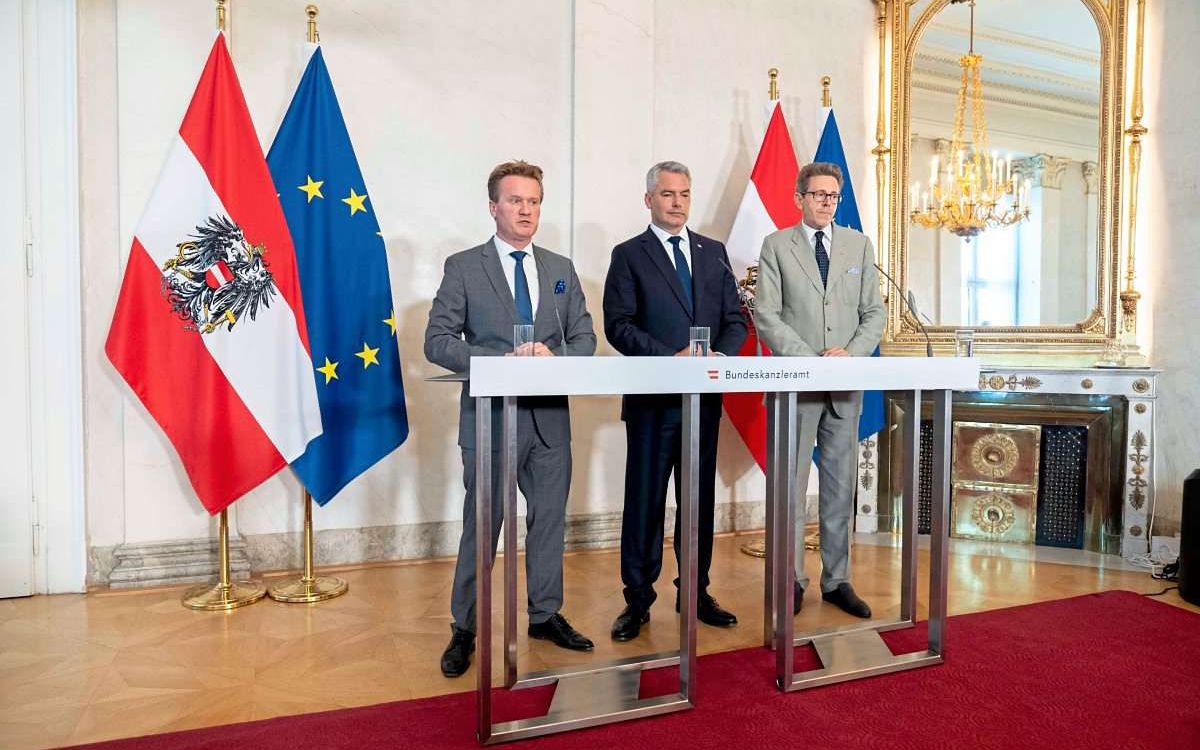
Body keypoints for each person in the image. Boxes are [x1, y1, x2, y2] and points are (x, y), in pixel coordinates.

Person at [424, 160, 597, 677]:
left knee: (549, 522)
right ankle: (465, 628)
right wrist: (498, 361)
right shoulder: (464, 267)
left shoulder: (560, 268)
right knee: (483, 527)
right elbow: (437, 341)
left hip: (550, 422)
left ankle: (545, 615)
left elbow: (585, 338)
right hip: (491, 421)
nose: (526, 210)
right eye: (516, 200)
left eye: (534, 201)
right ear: (493, 207)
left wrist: (554, 357)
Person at [602, 161, 748, 641]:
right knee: (645, 501)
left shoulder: (713, 252)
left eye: (684, 193)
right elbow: (619, 325)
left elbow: (735, 319)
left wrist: (719, 356)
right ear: (649, 200)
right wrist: (671, 358)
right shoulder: (629, 255)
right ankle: (637, 600)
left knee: (698, 502)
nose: (677, 202)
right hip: (652, 401)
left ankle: (696, 592)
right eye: (667, 194)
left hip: (702, 400)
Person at [752, 161, 885, 619]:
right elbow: (766, 315)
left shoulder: (858, 246)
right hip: (795, 384)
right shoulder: (776, 246)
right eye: (818, 194)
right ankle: (790, 580)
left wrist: (850, 354)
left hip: (844, 387)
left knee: (840, 487)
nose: (827, 202)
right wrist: (810, 361)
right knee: (789, 489)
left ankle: (837, 581)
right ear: (799, 198)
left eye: (833, 196)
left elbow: (874, 313)